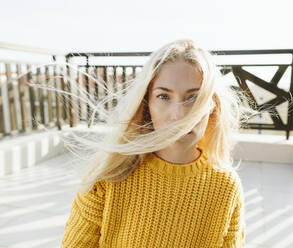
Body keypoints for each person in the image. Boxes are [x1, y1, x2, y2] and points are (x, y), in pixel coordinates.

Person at [61, 39, 247, 247]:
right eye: (164, 96)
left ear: (212, 106)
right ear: (147, 103)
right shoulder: (107, 179)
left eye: (193, 97)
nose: (178, 115)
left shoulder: (227, 186)